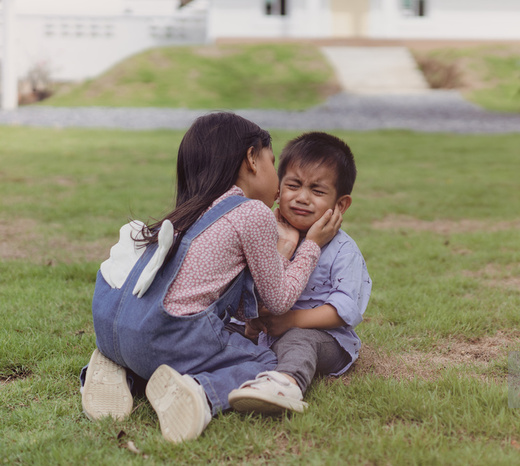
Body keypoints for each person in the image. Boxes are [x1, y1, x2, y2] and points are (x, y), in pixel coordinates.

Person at [80, 113, 342, 442]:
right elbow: (277, 300)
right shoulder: (251, 212)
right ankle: (202, 393)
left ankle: (121, 369)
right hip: (163, 339)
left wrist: (284, 247)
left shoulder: (192, 208)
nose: (278, 182)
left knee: (206, 337)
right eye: (272, 163)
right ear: (251, 158)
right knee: (267, 361)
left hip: (113, 325)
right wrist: (311, 247)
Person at [227, 132, 371, 414]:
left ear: (340, 205)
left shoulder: (343, 250)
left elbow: (344, 309)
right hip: (269, 330)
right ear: (279, 188)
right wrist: (251, 319)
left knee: (298, 341)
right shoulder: (265, 232)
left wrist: (291, 321)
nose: (302, 198)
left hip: (324, 337)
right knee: (222, 328)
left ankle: (286, 384)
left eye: (317, 191)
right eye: (294, 185)